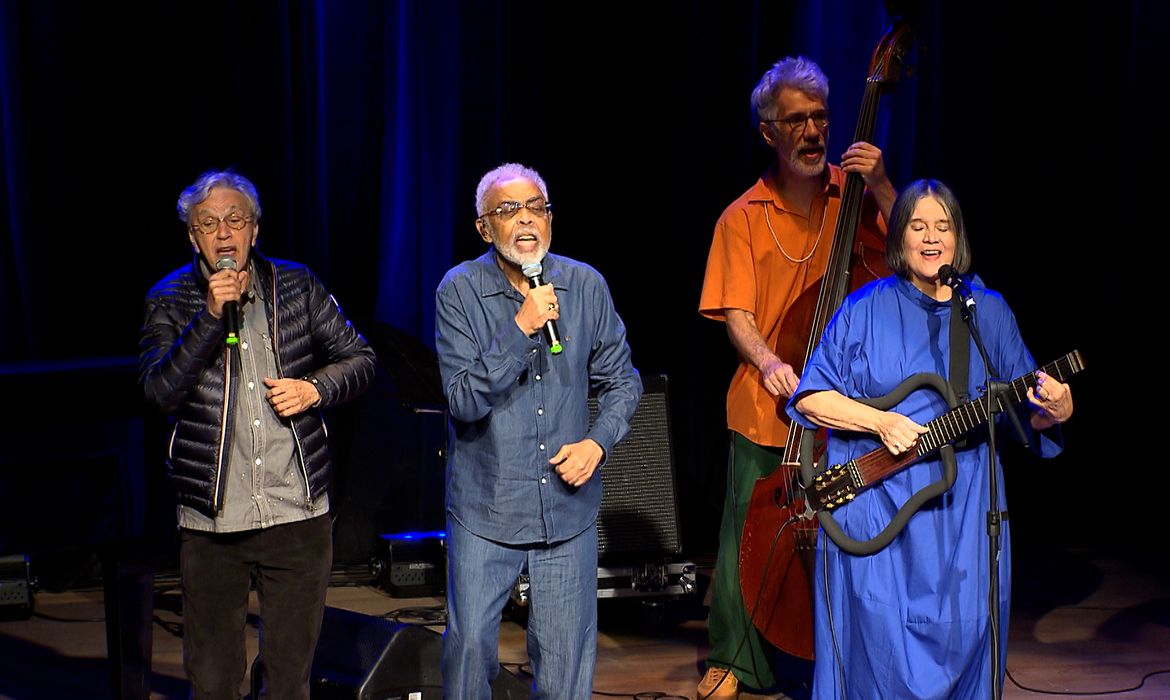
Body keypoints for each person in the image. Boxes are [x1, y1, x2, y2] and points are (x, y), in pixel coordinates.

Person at [787, 179, 1073, 698]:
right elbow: (809, 399)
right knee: (877, 639)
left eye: (943, 225)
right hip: (877, 507)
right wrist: (881, 423)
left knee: (967, 628)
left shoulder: (986, 311)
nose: (931, 237)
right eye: (918, 225)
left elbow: (1027, 414)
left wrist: (1057, 411)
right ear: (900, 235)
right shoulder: (863, 308)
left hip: (963, 512)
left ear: (957, 237)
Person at [697, 55, 896, 697]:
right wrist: (771, 363)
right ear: (768, 132)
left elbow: (919, 254)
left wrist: (887, 187)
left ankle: (843, 660)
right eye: (796, 121)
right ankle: (734, 662)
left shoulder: (858, 198)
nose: (813, 132)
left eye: (820, 118)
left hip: (853, 404)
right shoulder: (742, 217)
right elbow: (737, 314)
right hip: (769, 402)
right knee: (747, 542)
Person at [138, 170, 376, 699]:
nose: (223, 233)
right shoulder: (170, 300)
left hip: (296, 516)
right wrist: (207, 317)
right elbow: (160, 392)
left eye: (234, 220)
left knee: (290, 681)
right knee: (215, 680)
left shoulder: (296, 284)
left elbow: (362, 358)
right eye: (208, 223)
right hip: (212, 521)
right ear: (193, 238)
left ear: (254, 230)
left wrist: (314, 389)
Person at [435, 162, 641, 698]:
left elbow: (623, 381)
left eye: (536, 208)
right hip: (489, 505)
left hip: (567, 508)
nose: (525, 221)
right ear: (485, 228)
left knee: (566, 664)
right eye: (508, 211)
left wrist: (598, 442)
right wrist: (522, 328)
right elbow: (462, 400)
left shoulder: (585, 284)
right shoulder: (459, 291)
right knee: (469, 656)